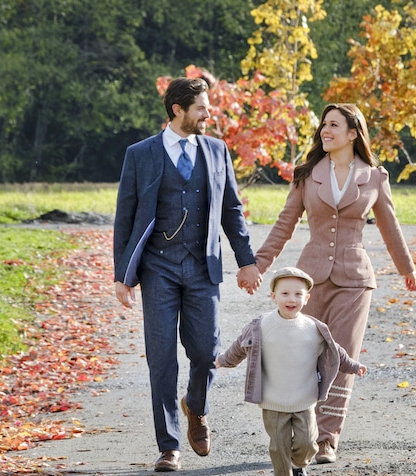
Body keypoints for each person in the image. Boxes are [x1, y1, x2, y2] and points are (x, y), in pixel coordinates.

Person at [248, 103, 416, 464]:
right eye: (323, 125)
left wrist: (407, 266)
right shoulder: (307, 174)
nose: (325, 130)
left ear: (353, 133)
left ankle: (326, 439)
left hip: (356, 279)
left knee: (341, 356)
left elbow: (390, 226)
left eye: (334, 125)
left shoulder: (374, 176)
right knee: (304, 355)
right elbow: (285, 223)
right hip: (309, 279)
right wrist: (259, 265)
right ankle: (300, 430)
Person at [113, 77, 262, 472]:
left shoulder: (217, 151)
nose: (208, 113)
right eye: (201, 107)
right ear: (178, 110)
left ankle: (196, 406)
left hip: (202, 267)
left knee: (205, 353)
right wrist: (121, 275)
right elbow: (124, 218)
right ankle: (169, 445)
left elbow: (232, 209)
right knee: (161, 358)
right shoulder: (140, 154)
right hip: (158, 268)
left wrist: (247, 261)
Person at [216, 267, 367, 476]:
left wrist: (353, 365)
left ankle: (298, 464)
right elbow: (240, 347)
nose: (291, 299)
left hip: (304, 399)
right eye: (285, 293)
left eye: (298, 294)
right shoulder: (261, 325)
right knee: (278, 448)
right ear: (273, 296)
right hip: (273, 400)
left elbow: (336, 351)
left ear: (307, 298)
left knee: (307, 444)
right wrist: (223, 361)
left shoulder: (314, 328)